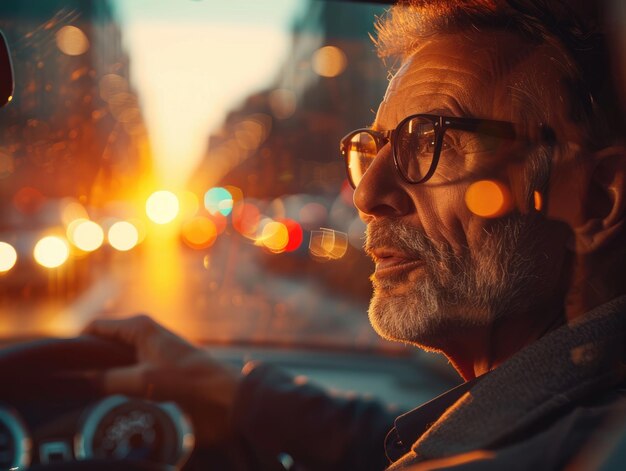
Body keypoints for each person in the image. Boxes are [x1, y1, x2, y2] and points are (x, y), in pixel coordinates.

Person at [84, 0, 626, 469]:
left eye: (433, 141)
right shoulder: (561, 422)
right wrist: (238, 395)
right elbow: (400, 445)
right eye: (371, 149)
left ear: (597, 198)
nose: (367, 196)